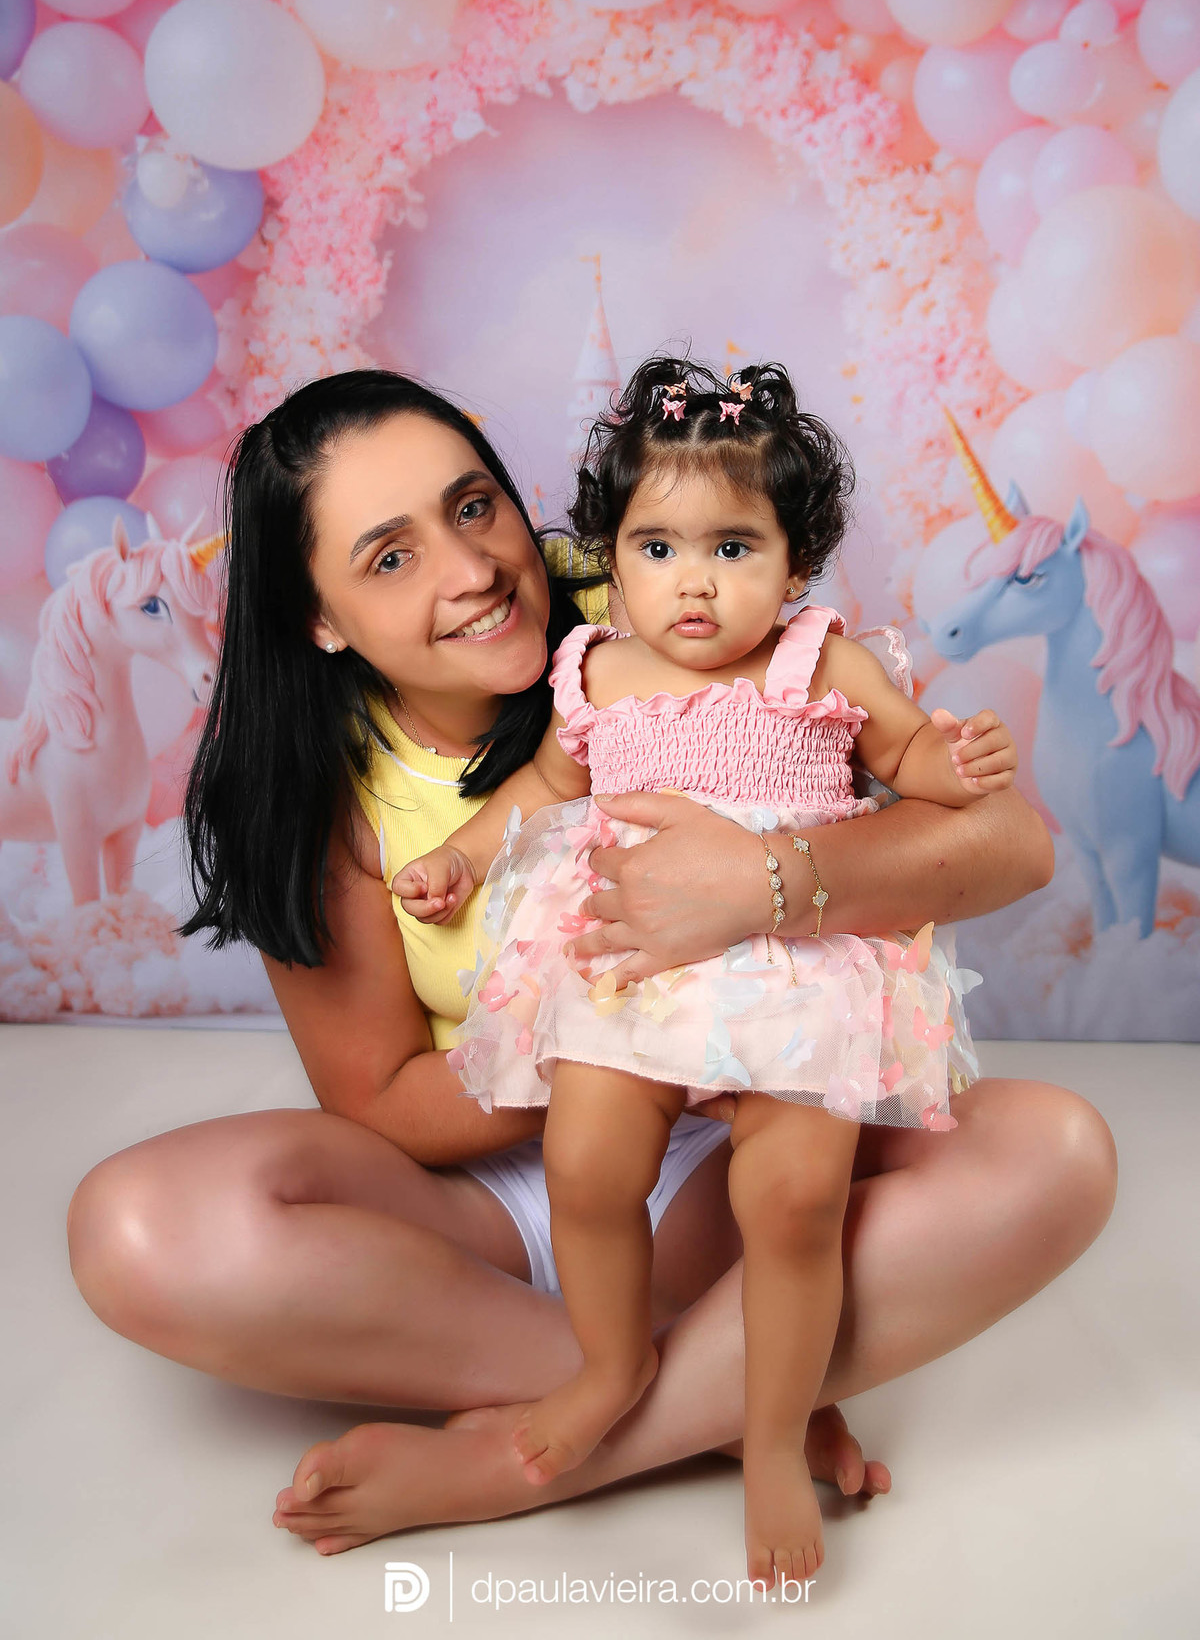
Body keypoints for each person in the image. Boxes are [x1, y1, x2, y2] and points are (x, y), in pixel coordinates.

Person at [63, 369, 1116, 1565]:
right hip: (493, 1205)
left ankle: (552, 1450)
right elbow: (381, 1100)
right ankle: (708, 1391)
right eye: (391, 557)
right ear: (321, 616)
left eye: (473, 506)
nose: (471, 570)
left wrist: (760, 886)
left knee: (1056, 1152)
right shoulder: (316, 785)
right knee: (135, 1224)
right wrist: (625, 1034)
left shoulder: (672, 588)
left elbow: (1008, 841)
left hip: (726, 1163)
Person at [392, 356, 1018, 1588]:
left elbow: (908, 760)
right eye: (659, 547)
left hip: (794, 966)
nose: (695, 579)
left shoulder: (821, 662)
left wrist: (957, 759)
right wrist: (460, 858)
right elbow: (543, 788)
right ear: (612, 561)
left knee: (793, 1200)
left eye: (734, 548)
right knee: (586, 1163)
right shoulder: (595, 670)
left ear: (795, 564)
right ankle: (612, 1363)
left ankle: (772, 1434)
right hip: (634, 962)